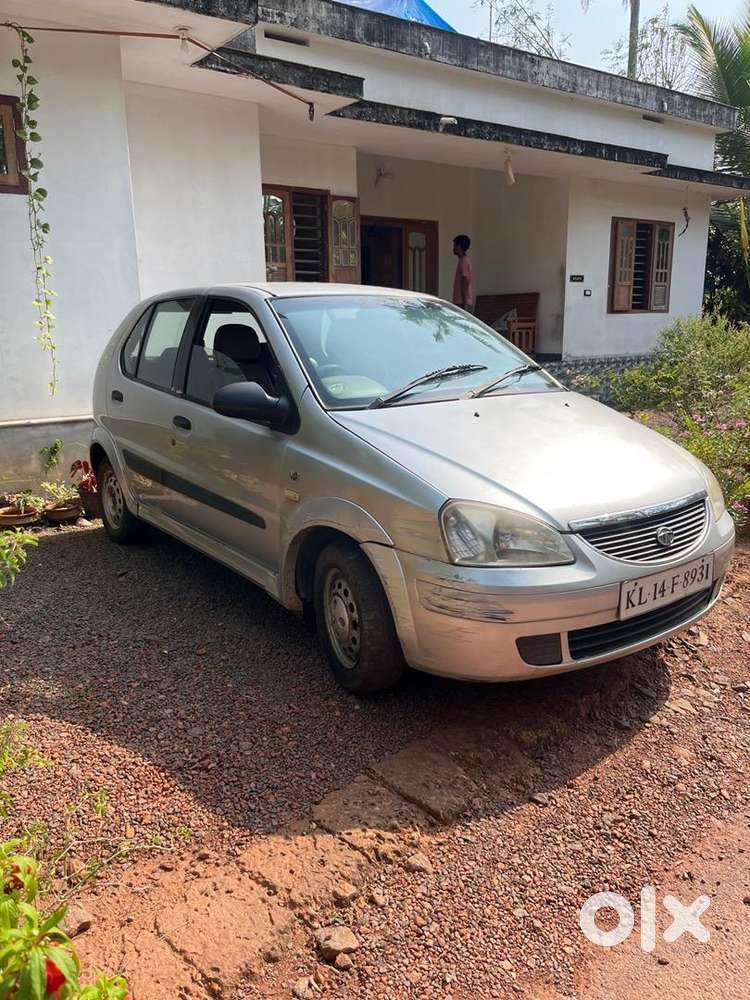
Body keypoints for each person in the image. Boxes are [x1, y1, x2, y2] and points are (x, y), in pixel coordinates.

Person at [452, 234, 475, 313]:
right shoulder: (463, 260)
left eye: (455, 245)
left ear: (459, 246)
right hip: (462, 302)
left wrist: (465, 306)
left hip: (462, 303)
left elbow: (465, 282)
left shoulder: (464, 261)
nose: (453, 248)